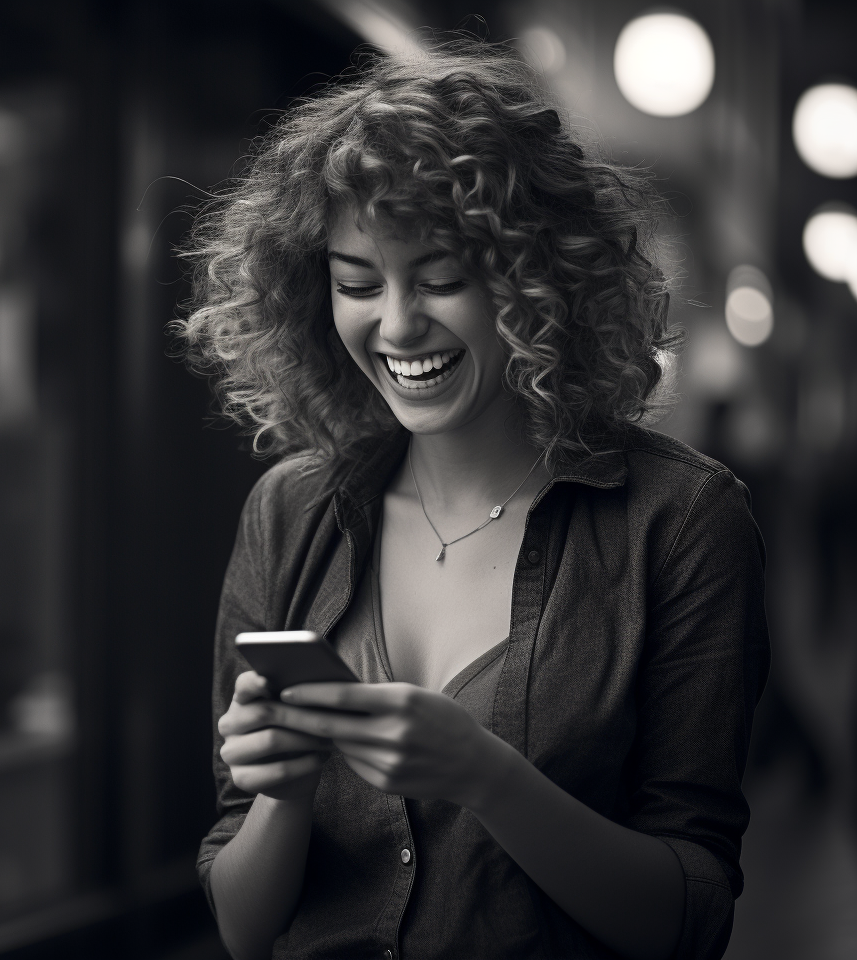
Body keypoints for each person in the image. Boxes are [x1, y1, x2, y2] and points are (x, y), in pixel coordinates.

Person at [173, 37, 769, 960]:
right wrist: (284, 791)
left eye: (444, 278)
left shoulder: (681, 522)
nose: (399, 324)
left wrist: (487, 776)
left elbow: (688, 922)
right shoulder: (289, 512)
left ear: (540, 278)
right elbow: (246, 929)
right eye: (356, 283)